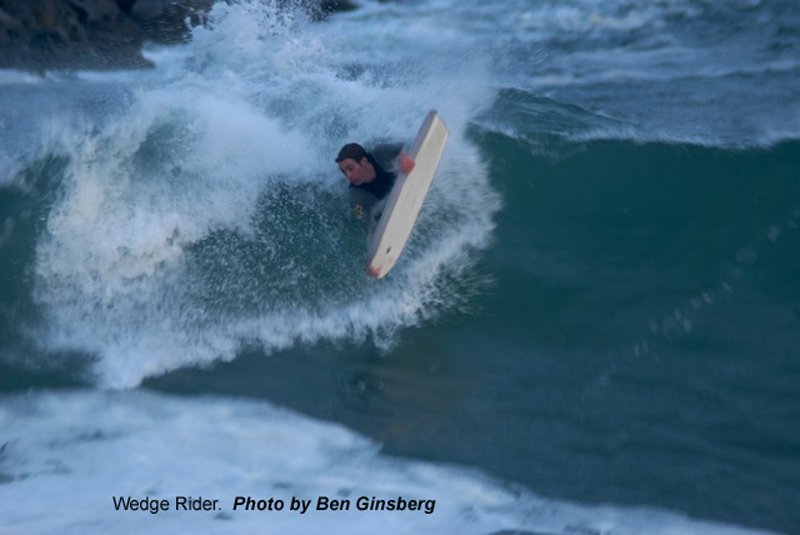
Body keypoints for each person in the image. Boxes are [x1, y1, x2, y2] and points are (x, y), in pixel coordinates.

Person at [336, 142, 415, 237]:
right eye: (344, 172)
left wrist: (404, 158)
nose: (348, 176)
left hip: (402, 182)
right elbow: (367, 226)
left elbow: (403, 147)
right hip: (386, 209)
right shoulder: (355, 199)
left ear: (364, 161)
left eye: (351, 169)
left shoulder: (379, 153)